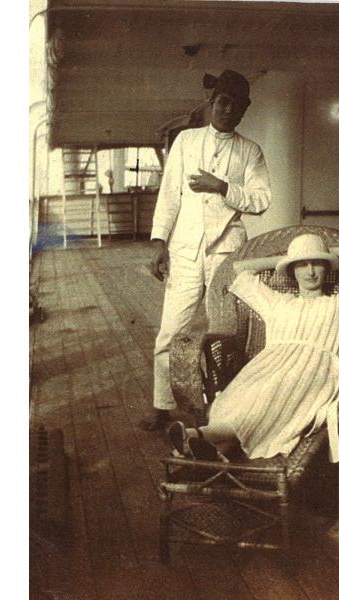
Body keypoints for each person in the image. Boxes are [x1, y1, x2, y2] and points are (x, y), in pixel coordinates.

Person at [166, 233, 339, 464]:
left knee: (266, 401)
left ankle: (196, 435)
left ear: (327, 268)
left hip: (311, 373)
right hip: (268, 366)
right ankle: (210, 450)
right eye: (302, 265)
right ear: (292, 271)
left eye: (317, 264)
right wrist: (288, 258)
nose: (310, 271)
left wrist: (325, 252)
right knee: (239, 402)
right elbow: (240, 267)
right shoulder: (277, 302)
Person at [140, 70, 272, 431]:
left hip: (226, 254)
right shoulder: (185, 141)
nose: (227, 110)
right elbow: (170, 195)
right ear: (212, 103)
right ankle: (162, 405)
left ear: (244, 110)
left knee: (224, 332)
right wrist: (159, 243)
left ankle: (222, 406)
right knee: (171, 330)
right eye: (222, 102)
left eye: (236, 105)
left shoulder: (250, 152)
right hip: (184, 251)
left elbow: (262, 200)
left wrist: (222, 186)